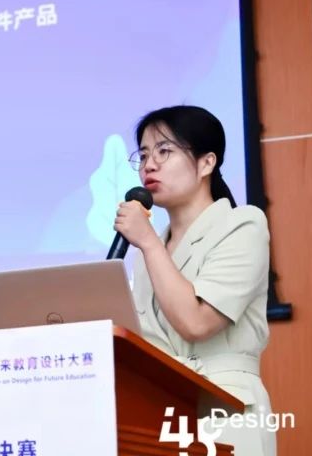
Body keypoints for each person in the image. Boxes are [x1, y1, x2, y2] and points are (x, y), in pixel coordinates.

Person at [115, 105, 274, 456]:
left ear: (206, 163)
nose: (149, 165)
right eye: (143, 155)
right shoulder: (150, 251)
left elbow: (196, 322)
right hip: (158, 412)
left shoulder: (243, 225)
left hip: (226, 410)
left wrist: (149, 243)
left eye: (164, 151)